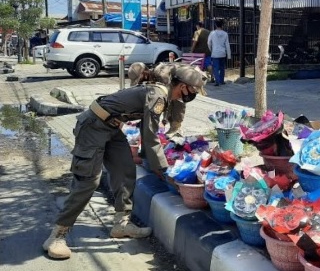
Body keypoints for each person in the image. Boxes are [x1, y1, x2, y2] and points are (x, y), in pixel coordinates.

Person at [42, 66, 207, 259]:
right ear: (184, 86)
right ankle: (57, 235)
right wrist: (162, 169)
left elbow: (148, 132)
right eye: (194, 90)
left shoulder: (164, 94)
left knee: (125, 170)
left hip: (110, 127)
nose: (193, 95)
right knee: (88, 181)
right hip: (93, 127)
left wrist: (151, 158)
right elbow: (151, 136)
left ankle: (121, 224)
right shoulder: (158, 96)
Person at [128, 61, 203, 136]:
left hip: (191, 81)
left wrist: (163, 121)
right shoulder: (152, 77)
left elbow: (166, 101)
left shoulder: (162, 76)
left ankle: (176, 128)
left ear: (144, 74)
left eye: (139, 79)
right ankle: (173, 127)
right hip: (181, 80)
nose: (140, 82)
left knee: (177, 101)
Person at [207, 19, 231, 86]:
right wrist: (229, 55)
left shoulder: (212, 33)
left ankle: (217, 81)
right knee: (222, 67)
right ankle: (222, 81)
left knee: (215, 67)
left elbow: (208, 42)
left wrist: (211, 49)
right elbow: (227, 45)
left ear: (215, 25)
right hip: (223, 53)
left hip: (215, 53)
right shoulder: (225, 34)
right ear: (222, 25)